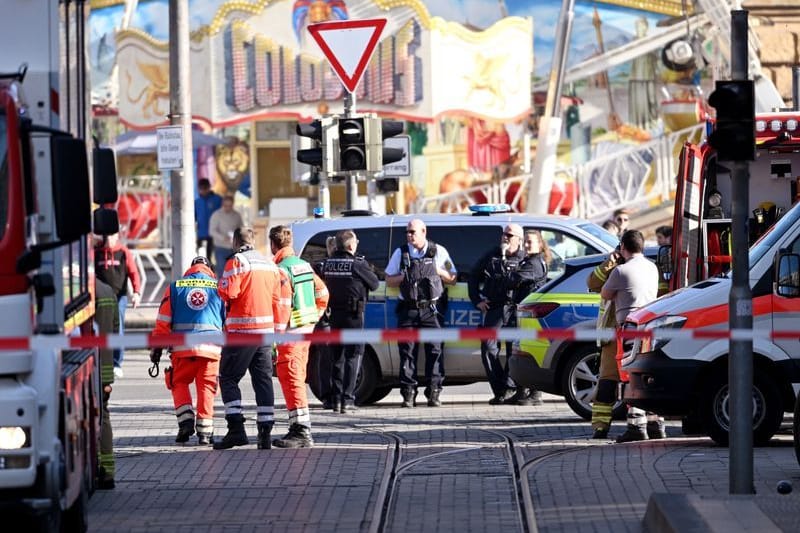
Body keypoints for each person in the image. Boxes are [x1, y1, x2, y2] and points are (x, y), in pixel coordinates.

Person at [214, 226, 290, 450]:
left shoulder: (236, 262)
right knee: (263, 380)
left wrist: (222, 283)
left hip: (242, 332)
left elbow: (229, 292)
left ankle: (236, 429)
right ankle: (264, 433)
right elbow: (277, 299)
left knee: (228, 378)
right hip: (265, 333)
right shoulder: (270, 265)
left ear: (235, 242)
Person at [149, 256, 225, 446]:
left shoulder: (175, 287)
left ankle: (185, 422)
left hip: (182, 349)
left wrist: (156, 349)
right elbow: (227, 320)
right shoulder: (218, 287)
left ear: (191, 269)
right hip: (210, 349)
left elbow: (163, 321)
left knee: (179, 382)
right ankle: (205, 433)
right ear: (209, 269)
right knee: (207, 387)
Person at [598, 230, 663, 443]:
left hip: (627, 329)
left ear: (623, 248)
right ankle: (656, 424)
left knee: (629, 376)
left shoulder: (621, 271)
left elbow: (605, 294)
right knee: (648, 375)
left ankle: (636, 427)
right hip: (649, 327)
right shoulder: (652, 267)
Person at [385, 219, 457, 408]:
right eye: (407, 232)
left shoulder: (438, 251)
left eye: (413, 232)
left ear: (424, 231)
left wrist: (437, 270)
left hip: (432, 310)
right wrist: (406, 275)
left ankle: (433, 393)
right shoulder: (401, 252)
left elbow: (453, 277)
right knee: (407, 352)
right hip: (408, 309)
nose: (409, 235)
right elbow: (389, 279)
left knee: (435, 351)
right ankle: (408, 394)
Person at [269, 225, 329, 448]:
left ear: (273, 245)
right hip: (305, 331)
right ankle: (297, 428)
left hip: (290, 333)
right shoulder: (304, 266)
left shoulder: (281, 270)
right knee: (297, 378)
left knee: (292, 379)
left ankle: (302, 431)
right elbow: (323, 293)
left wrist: (275, 336)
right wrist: (313, 318)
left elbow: (282, 306)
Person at [469, 224, 542, 406]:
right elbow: (473, 276)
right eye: (503, 234)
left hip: (514, 309)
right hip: (494, 308)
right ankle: (500, 388)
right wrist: (476, 300)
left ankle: (509, 388)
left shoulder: (526, 259)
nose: (505, 238)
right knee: (488, 347)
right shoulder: (492, 254)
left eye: (510, 235)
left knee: (512, 351)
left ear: (519, 239)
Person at [322, 230, 380, 413]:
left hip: (334, 316)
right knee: (353, 357)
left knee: (336, 358)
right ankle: (348, 399)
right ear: (351, 246)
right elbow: (375, 284)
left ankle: (336, 399)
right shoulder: (357, 264)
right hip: (353, 316)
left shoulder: (327, 264)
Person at [94, 232, 142, 378]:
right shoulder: (97, 253)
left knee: (118, 328)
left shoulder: (123, 252)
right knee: (100, 329)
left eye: (111, 236)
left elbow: (134, 272)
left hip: (119, 297)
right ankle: (101, 361)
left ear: (117, 237)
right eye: (106, 236)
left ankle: (117, 363)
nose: (108, 239)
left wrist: (136, 292)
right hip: (102, 298)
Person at [95, 279, 119, 490]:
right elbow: (115, 327)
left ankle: (95, 467)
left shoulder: (75, 289)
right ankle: (108, 471)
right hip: (106, 369)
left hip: (87, 365)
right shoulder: (107, 290)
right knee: (103, 417)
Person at [313, 236, 338, 410]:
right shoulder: (321, 268)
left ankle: (328, 396)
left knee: (326, 360)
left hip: (323, 319)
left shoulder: (319, 267)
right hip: (336, 318)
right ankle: (335, 396)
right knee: (338, 358)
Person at [209, 194, 243, 278]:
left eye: (230, 206)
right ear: (222, 204)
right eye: (226, 206)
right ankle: (221, 290)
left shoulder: (237, 215)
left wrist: (237, 237)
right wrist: (223, 237)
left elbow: (241, 228)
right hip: (221, 248)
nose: (227, 208)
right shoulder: (216, 215)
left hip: (234, 248)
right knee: (221, 271)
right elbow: (212, 231)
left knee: (235, 271)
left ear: (233, 205)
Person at [194, 178, 222, 266]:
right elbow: (194, 218)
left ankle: (213, 273)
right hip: (201, 234)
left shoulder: (217, 200)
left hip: (215, 234)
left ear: (209, 188)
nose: (203, 191)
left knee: (213, 257)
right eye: (201, 188)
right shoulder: (197, 202)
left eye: (205, 188)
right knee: (201, 256)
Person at [655, 225, 673, 296]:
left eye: (660, 237)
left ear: (668, 237)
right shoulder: (662, 250)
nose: (657, 240)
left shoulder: (668, 251)